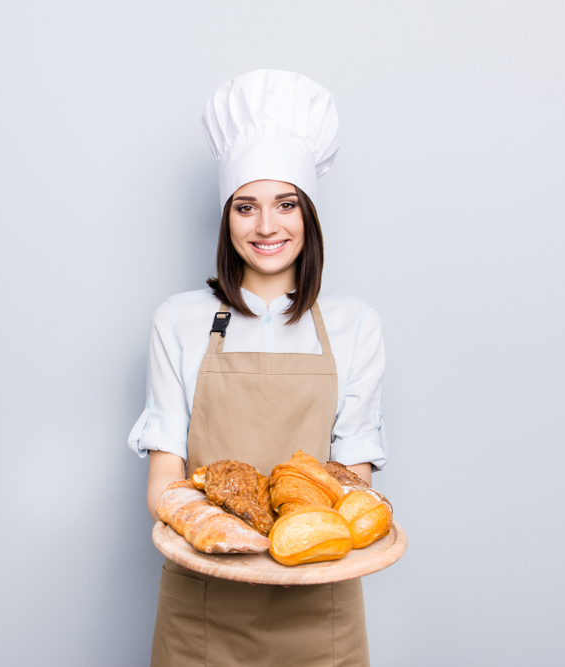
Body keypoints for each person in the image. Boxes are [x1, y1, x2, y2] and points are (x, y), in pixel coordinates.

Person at [128, 69, 387, 667]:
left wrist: (293, 541)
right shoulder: (178, 320)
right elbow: (165, 485)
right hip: (204, 608)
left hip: (319, 606)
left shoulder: (354, 325)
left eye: (286, 205)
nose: (266, 227)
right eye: (246, 207)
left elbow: (353, 485)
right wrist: (235, 536)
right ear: (227, 218)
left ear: (309, 215)